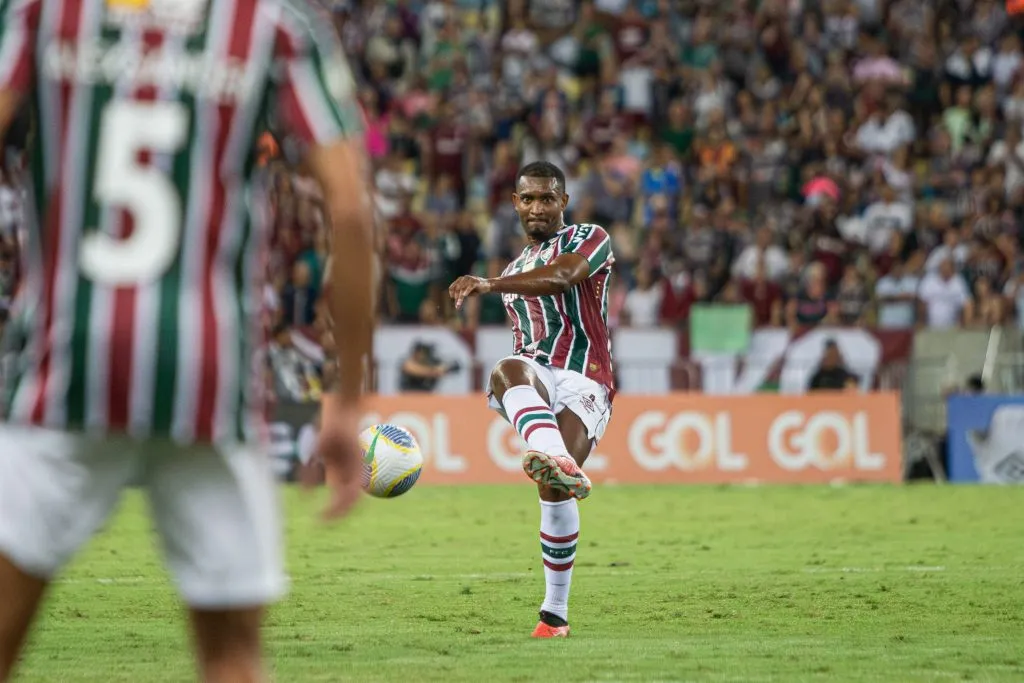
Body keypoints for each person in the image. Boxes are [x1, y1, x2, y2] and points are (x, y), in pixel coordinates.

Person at [0, 0, 376, 678]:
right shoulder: (276, 25)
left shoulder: (41, 13)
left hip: (65, 364)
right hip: (208, 377)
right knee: (232, 654)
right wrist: (346, 399)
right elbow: (349, 210)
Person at [448, 161, 615, 639]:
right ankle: (552, 453)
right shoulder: (513, 268)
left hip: (586, 378)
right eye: (528, 199)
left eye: (547, 198)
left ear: (564, 202)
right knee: (507, 367)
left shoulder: (589, 237)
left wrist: (489, 284)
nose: (537, 207)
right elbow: (528, 340)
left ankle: (555, 615)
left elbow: (562, 277)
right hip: (537, 371)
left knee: (554, 489)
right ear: (515, 204)